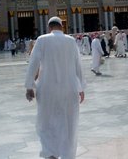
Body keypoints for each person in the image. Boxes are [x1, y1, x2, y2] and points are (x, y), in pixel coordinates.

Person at [25, 16, 85, 159]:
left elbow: (33, 63)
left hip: (47, 89)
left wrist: (29, 86)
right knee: (69, 124)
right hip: (69, 89)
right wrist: (81, 88)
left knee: (46, 122)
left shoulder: (42, 40)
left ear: (49, 28)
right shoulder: (71, 41)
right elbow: (78, 66)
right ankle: (67, 155)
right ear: (62, 27)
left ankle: (50, 152)